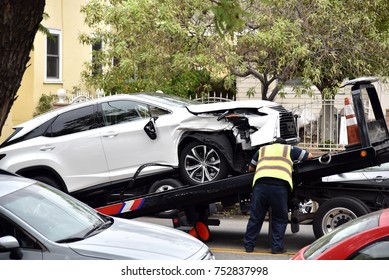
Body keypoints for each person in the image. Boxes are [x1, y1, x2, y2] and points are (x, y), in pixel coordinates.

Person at [243, 137, 313, 254]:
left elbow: (251, 168)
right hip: (279, 188)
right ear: (284, 144)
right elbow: (309, 156)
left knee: (256, 217)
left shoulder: (262, 150)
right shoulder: (289, 149)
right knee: (279, 218)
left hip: (260, 187)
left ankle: (249, 246)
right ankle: (276, 247)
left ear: (273, 144)